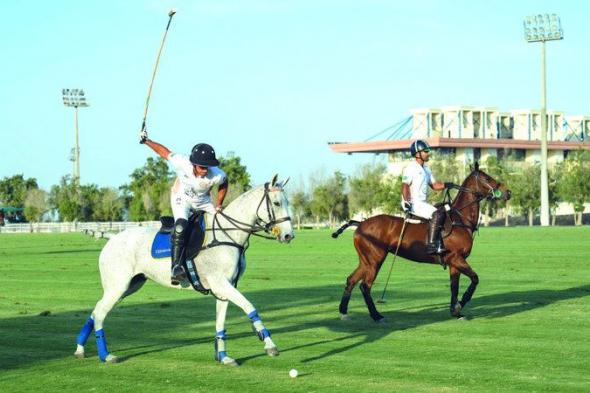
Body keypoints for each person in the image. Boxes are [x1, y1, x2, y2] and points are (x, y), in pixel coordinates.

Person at [140, 130, 228, 283]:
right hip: (182, 198)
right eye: (202, 167)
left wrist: (219, 205)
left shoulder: (217, 174)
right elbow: (164, 152)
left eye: (208, 167)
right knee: (181, 226)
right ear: (193, 164)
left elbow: (224, 183)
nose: (205, 170)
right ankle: (176, 267)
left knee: (221, 223)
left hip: (204, 201)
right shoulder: (181, 162)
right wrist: (147, 141)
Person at [401, 139, 454, 255]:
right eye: (426, 151)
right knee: (438, 214)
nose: (428, 153)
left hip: (422, 203)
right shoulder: (410, 168)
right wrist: (406, 202)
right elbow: (405, 186)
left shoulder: (427, 169)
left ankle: (439, 242)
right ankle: (431, 246)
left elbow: (434, 185)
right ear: (417, 154)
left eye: (428, 150)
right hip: (413, 203)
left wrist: (447, 185)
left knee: (443, 210)